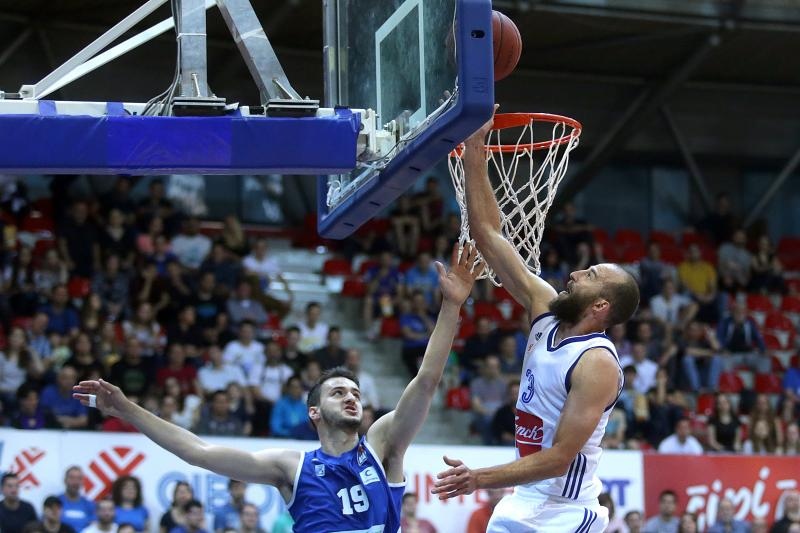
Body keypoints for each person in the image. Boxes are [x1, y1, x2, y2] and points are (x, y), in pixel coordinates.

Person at [74, 243, 482, 533]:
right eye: (338, 392)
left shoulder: (382, 445)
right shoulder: (291, 467)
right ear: (314, 413)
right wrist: (128, 410)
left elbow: (427, 380)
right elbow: (197, 451)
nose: (352, 396)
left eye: (355, 392)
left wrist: (451, 306)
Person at [431, 112, 640, 533]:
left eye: (590, 275)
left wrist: (479, 478)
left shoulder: (596, 362)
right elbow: (489, 234)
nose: (576, 274)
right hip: (524, 500)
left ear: (600, 307)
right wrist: (475, 148)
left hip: (567, 510)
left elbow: (561, 457)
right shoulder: (544, 305)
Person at [57, 466, 95, 532]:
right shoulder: (56, 503)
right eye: (72, 478)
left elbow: (95, 528)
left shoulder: (90, 505)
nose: (75, 482)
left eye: (79, 478)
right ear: (65, 480)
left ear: (83, 482)